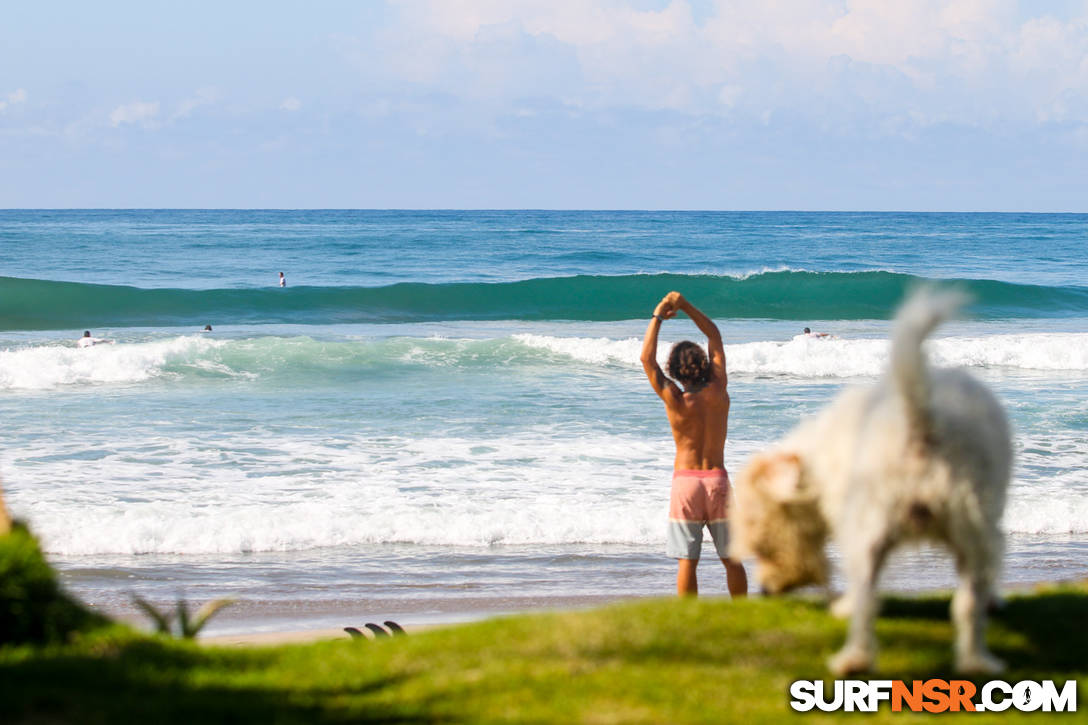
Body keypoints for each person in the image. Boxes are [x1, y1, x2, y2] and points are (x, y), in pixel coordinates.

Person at [641, 291, 747, 598]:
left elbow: (646, 359)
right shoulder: (718, 389)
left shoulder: (673, 398)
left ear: (673, 370)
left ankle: (691, 622)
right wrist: (685, 305)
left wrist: (659, 314)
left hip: (686, 483)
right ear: (704, 364)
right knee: (732, 559)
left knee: (687, 562)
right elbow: (714, 334)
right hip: (717, 480)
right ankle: (744, 617)